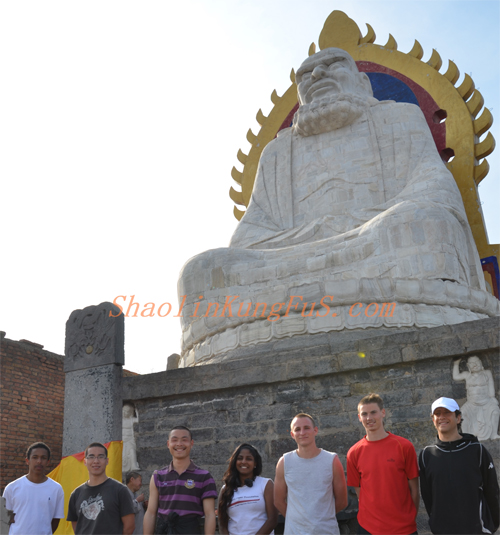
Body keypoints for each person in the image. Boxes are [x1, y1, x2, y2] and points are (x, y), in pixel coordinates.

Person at [176, 46, 497, 367]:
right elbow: (251, 234)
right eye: (305, 74)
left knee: (424, 223)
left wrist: (370, 224)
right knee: (199, 271)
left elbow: (433, 187)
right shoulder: (276, 152)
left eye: (332, 65)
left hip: (380, 237)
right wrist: (315, 235)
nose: (317, 75)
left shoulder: (400, 118)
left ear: (363, 83)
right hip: (291, 255)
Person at [419, 396, 500, 535]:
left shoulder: (477, 450)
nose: (442, 417)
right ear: (433, 420)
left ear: (458, 418)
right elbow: (428, 497)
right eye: (437, 414)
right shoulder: (426, 455)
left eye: (447, 413)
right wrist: (436, 523)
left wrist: (491, 525)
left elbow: (492, 491)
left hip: (477, 530)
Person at [346, 394, 419, 535]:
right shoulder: (353, 453)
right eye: (364, 414)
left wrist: (409, 519)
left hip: (403, 529)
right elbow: (360, 494)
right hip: (369, 529)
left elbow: (414, 490)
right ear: (359, 417)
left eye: (373, 412)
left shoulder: (404, 446)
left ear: (383, 413)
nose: (369, 418)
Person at [274, 413, 347, 535]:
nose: (302, 432)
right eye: (297, 429)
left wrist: (322, 518)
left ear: (315, 430)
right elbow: (278, 501)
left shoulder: (331, 460)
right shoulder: (285, 462)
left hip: (326, 531)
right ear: (292, 434)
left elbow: (342, 501)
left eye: (306, 428)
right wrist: (297, 520)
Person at [143, 426, 217, 535]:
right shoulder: (158, 476)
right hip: (164, 530)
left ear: (191, 443)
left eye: (184, 440)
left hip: (191, 530)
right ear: (168, 444)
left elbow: (210, 514)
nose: (179, 444)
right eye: (174, 440)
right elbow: (150, 513)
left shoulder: (204, 477)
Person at [67, 442, 135, 534]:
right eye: (91, 456)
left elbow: (129, 526)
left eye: (100, 456)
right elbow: (77, 527)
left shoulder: (120, 490)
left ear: (107, 461)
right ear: (85, 462)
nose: (96, 461)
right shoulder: (76, 494)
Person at [3, 442, 64, 535]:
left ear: (48, 462)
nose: (39, 461)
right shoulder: (12, 488)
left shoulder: (56, 489)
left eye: (43, 458)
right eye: (35, 457)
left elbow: (55, 520)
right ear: (27, 461)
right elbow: (4, 519)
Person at [218, 443, 278, 535]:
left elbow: (272, 519)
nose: (244, 462)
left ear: (255, 464)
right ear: (235, 462)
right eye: (240, 458)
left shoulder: (266, 484)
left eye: (249, 459)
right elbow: (222, 524)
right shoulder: (225, 489)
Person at [452, 356, 500, 440]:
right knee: (462, 414)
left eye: (477, 362)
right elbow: (456, 376)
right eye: (472, 363)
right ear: (468, 365)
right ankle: (466, 437)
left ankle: (493, 434)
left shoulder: (487, 373)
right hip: (471, 403)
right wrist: (456, 364)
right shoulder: (467, 375)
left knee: (495, 410)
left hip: (486, 401)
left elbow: (491, 388)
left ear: (481, 362)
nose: (475, 365)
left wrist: (492, 397)